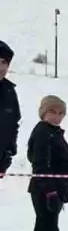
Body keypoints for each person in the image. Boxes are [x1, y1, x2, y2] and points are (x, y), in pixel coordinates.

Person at [26, 96, 68, 231]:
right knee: (48, 230)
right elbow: (41, 165)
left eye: (61, 113)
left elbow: (61, 162)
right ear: (43, 112)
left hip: (55, 186)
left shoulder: (54, 132)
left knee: (44, 227)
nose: (57, 116)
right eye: (52, 112)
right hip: (44, 189)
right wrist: (50, 192)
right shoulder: (43, 132)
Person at [0, 40, 19, 177]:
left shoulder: (9, 92)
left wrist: (7, 154)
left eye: (4, 62)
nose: (1, 67)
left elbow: (13, 124)